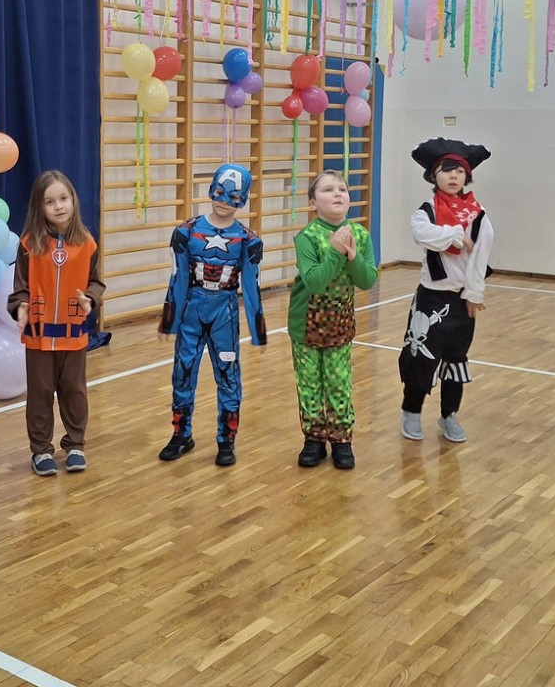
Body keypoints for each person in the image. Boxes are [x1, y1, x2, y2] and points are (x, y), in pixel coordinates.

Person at [157, 163, 266, 467]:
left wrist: (259, 332)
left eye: (233, 197)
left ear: (243, 200)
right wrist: (169, 321)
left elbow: (251, 286)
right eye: (219, 192)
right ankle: (181, 435)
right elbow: (178, 278)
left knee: (229, 376)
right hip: (192, 310)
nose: (224, 201)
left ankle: (226, 441)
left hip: (224, 313)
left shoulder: (248, 240)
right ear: (210, 190)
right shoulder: (186, 231)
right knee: (183, 373)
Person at [7, 170, 105, 476]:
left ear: (73, 200)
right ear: (39, 207)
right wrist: (20, 308)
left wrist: (91, 299)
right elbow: (20, 287)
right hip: (39, 337)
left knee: (74, 392)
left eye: (63, 198)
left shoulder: (87, 243)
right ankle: (41, 451)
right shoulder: (29, 244)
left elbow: (96, 283)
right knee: (40, 394)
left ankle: (75, 445)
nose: (58, 206)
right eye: (50, 201)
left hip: (73, 335)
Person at [398, 139, 493, 445]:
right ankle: (411, 410)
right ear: (433, 176)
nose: (454, 176)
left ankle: (449, 414)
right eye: (447, 170)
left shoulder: (478, 214)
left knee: (456, 358)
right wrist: (454, 233)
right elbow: (422, 234)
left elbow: (480, 255)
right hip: (431, 298)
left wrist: (474, 293)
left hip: (462, 300)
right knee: (420, 358)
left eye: (460, 171)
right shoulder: (427, 211)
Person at [287, 171, 378, 470]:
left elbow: (367, 280)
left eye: (342, 189)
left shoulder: (361, 235)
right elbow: (314, 282)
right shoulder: (307, 237)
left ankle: (341, 440)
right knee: (310, 384)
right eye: (328, 190)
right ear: (313, 203)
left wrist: (353, 257)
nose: (338, 193)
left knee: (339, 383)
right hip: (305, 325)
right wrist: (336, 253)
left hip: (339, 325)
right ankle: (313, 439)